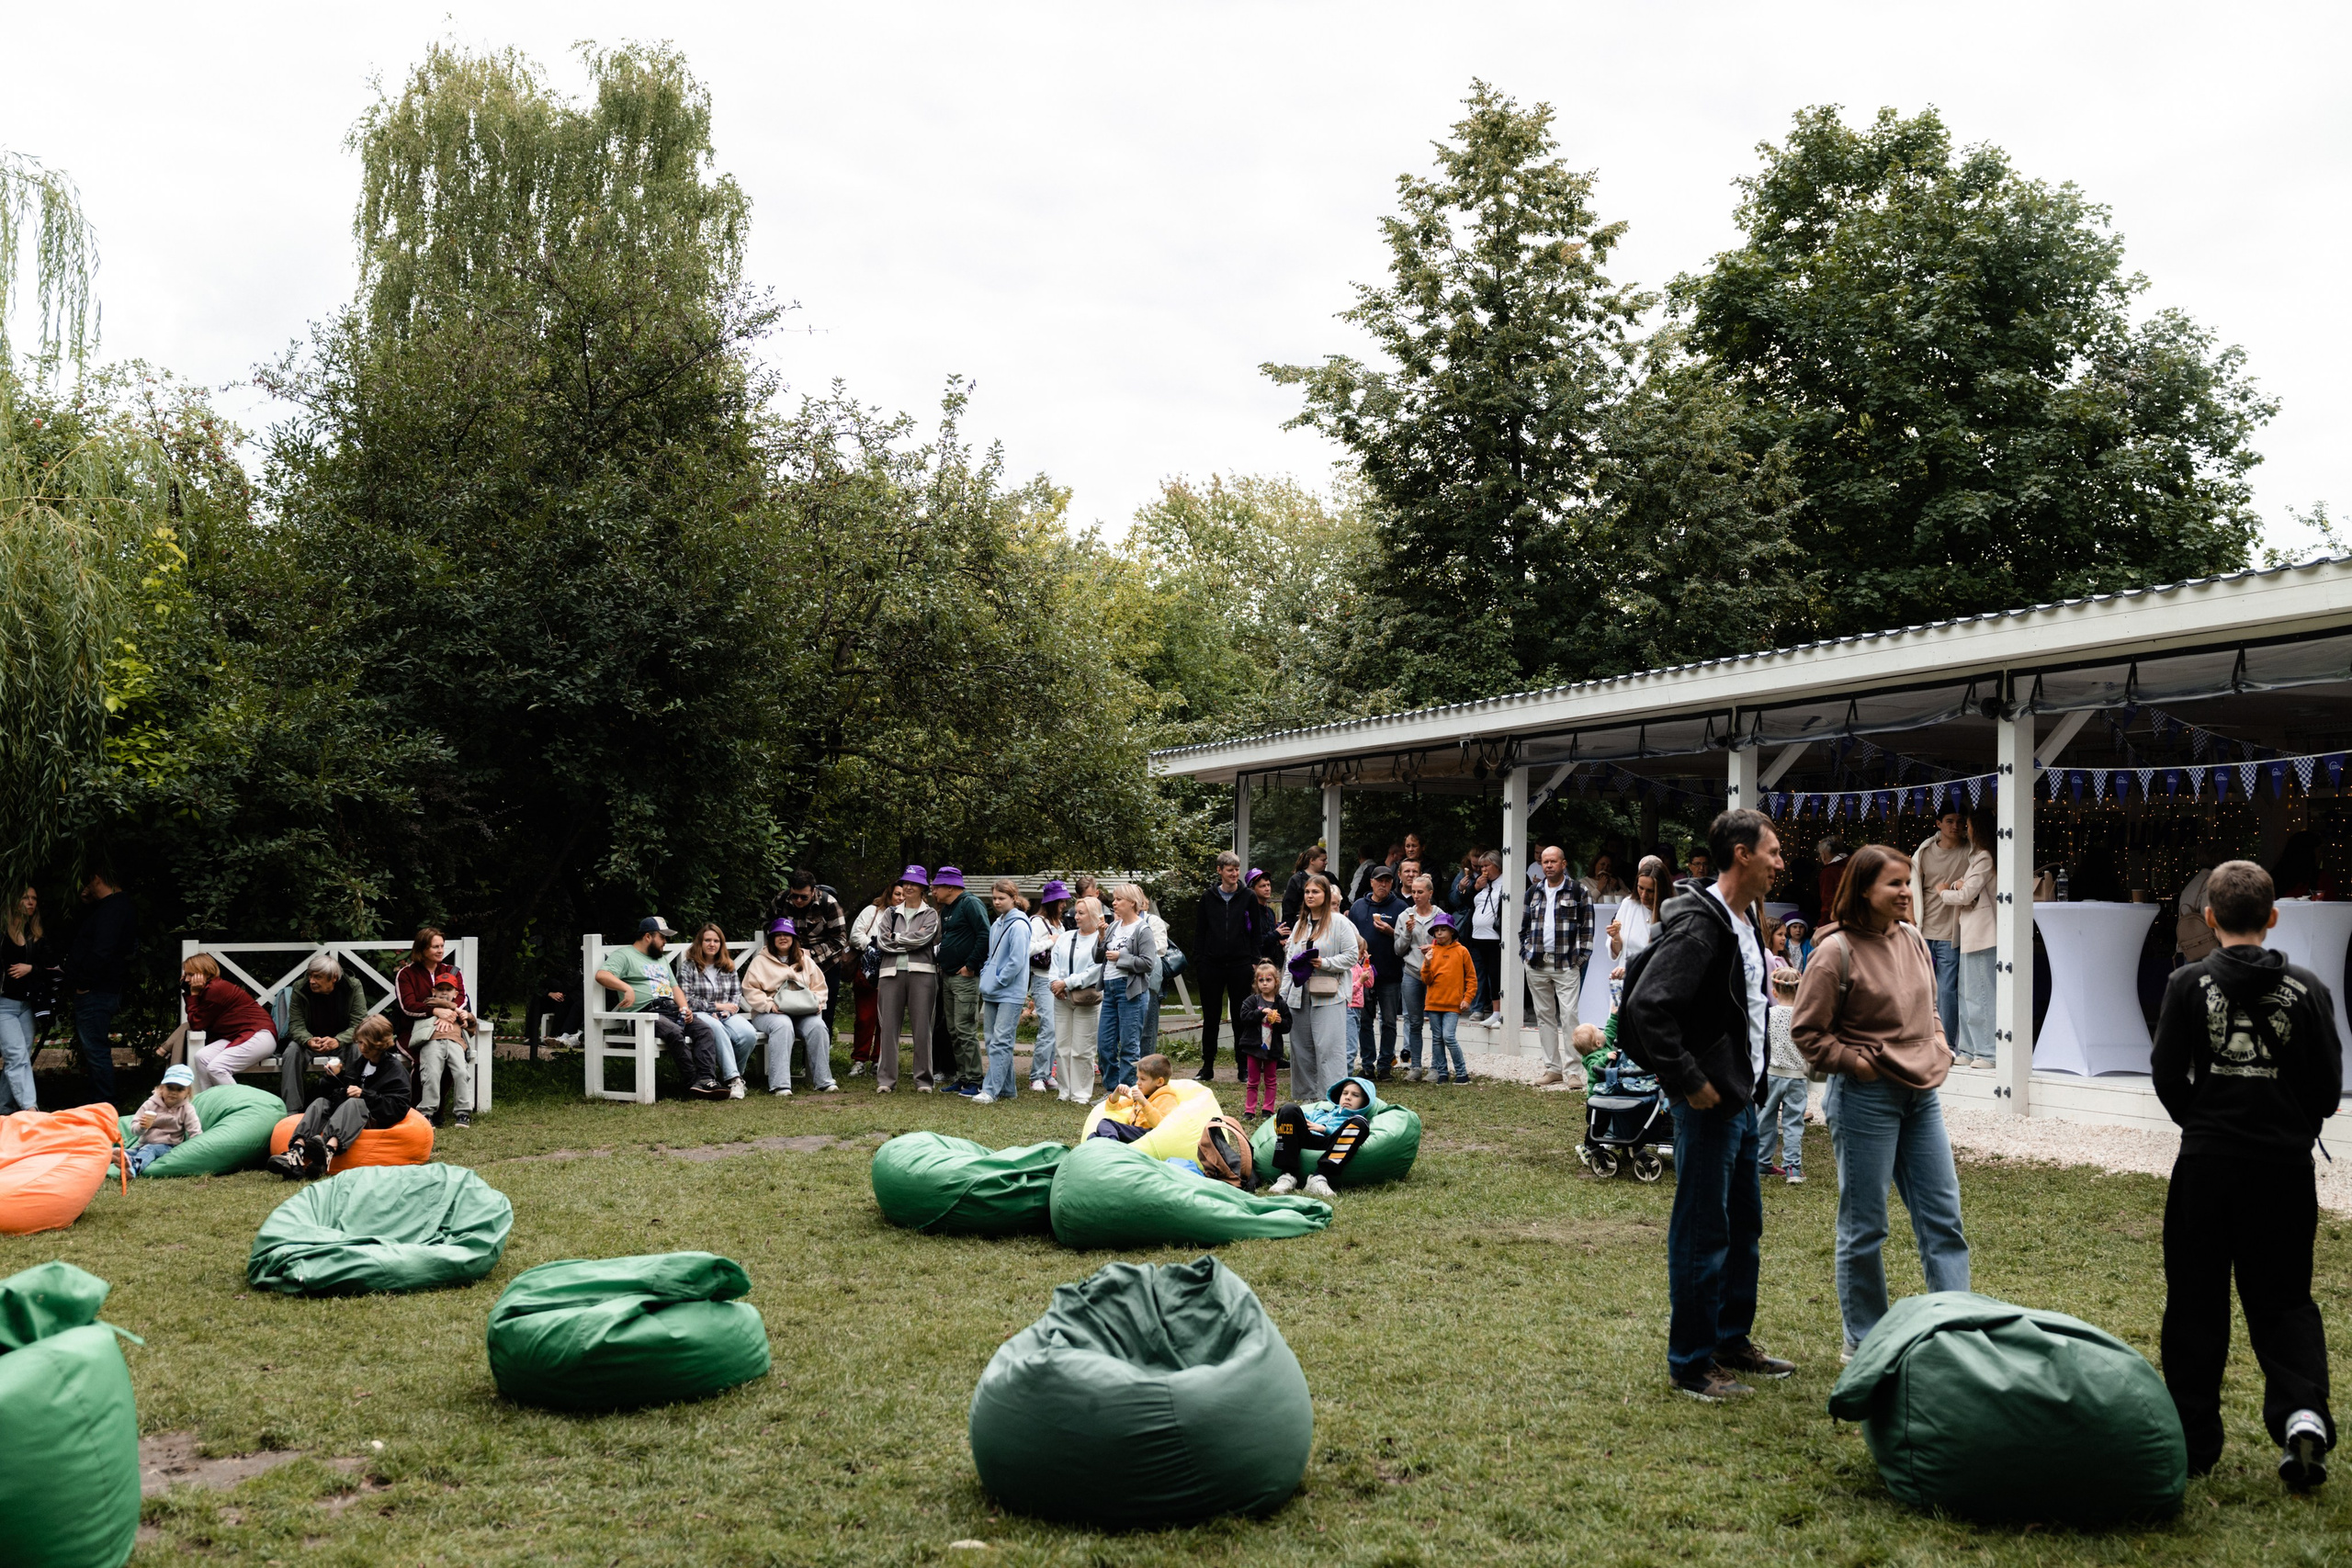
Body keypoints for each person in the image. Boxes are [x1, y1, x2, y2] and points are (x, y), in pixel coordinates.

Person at [2152, 859, 2341, 1491]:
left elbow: (2164, 1073)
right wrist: (2289, 1123)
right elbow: (2327, 1090)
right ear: (2274, 917)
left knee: (2195, 1300)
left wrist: (2200, 1119)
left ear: (2208, 917)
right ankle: (2303, 1415)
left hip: (2206, 1165)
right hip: (2284, 1170)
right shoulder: (2311, 988)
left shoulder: (2185, 983)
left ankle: (2193, 1437)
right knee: (2285, 1299)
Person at [1618, 807, 1798, 1403]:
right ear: (1742, 854)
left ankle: (1729, 1339)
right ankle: (1691, 1361)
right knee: (1703, 1229)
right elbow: (1648, 1006)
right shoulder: (1702, 924)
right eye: (1772, 850)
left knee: (1743, 1225)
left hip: (1741, 1099)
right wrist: (1689, 1079)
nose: (1779, 861)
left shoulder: (1744, 921)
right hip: (1709, 1103)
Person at [1793, 842, 1970, 1359]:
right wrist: (1858, 1063)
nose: (1904, 891)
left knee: (1943, 1217)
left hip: (1922, 1097)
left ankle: (1953, 1330)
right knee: (1866, 1225)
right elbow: (1807, 1033)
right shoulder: (1834, 951)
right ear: (1863, 889)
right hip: (1864, 1100)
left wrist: (1938, 1043)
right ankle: (1863, 1342)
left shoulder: (1913, 938)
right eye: (1894, 883)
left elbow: (1930, 1004)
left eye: (1906, 882)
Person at [593, 916, 724, 1099]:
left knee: (704, 1030)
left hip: (668, 1011)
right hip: (642, 1015)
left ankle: (706, 1080)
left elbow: (674, 987)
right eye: (662, 937)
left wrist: (685, 1009)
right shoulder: (625, 955)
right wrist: (626, 987)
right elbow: (601, 975)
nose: (665, 942)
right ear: (648, 937)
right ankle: (692, 1082)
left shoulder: (660, 959)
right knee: (674, 1031)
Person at [270, 1015, 411, 1179]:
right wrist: (333, 1078)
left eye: (364, 1043)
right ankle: (296, 1151)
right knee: (320, 1103)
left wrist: (364, 1095)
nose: (360, 1047)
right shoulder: (361, 1063)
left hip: (373, 1117)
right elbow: (339, 1095)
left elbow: (399, 1107)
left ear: (377, 1043)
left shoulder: (394, 1069)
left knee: (355, 1103)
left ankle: (328, 1151)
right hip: (347, 1115)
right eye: (359, 1042)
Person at [1522, 845, 1596, 1088]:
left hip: (1566, 964)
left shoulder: (1578, 891)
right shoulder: (1533, 891)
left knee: (1569, 1016)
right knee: (1543, 1017)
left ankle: (1573, 1072)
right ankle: (1552, 1069)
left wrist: (1580, 960)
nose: (1549, 866)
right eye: (1545, 862)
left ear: (1564, 864)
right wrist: (1525, 953)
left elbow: (1588, 929)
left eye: (1553, 861)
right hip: (1536, 964)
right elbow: (1524, 926)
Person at [1281, 872, 1359, 1100]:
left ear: (1325, 895)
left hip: (1328, 994)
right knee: (1301, 1050)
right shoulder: (1299, 926)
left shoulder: (1339, 923)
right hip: (1299, 994)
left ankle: (1332, 1098)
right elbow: (1289, 964)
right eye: (1307, 891)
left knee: (1329, 1049)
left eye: (1315, 891)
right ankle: (1307, 1098)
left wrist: (1325, 963)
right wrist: (1282, 996)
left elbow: (1352, 956)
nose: (1310, 895)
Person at [64, 868, 137, 1104]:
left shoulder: (114, 908)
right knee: (95, 1047)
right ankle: (102, 1100)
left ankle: (104, 1102)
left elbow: (101, 950)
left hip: (96, 990)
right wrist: (87, 904)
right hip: (101, 988)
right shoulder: (111, 907)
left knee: (95, 1048)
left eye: (89, 881)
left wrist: (84, 984)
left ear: (97, 878)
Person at [742, 918, 836, 1096]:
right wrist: (769, 1005)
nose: (783, 938)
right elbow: (750, 989)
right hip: (769, 1013)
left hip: (802, 1011)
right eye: (778, 935)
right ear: (772, 938)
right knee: (783, 1025)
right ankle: (781, 1084)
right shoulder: (760, 962)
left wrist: (818, 1003)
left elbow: (820, 986)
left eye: (787, 934)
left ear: (794, 938)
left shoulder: (805, 960)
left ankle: (823, 1081)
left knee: (818, 1027)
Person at [1193, 852, 1264, 1084]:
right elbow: (1200, 932)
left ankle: (1243, 1066)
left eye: (1237, 869)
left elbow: (1256, 932)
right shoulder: (1208, 897)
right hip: (1211, 964)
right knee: (1211, 1016)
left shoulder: (1248, 897)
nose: (1234, 874)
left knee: (1241, 1017)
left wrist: (1254, 959)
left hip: (1240, 963)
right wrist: (1200, 961)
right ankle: (1207, 1066)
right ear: (1219, 871)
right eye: (1229, 870)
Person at [1937, 809, 1998, 1069]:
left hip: (1983, 934)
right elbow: (1962, 886)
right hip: (1972, 932)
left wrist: (1943, 892)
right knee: (1966, 993)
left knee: (1981, 993)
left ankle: (1988, 1052)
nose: (1965, 829)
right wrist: (1957, 887)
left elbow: (1966, 893)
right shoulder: (1978, 857)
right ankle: (1969, 1049)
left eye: (1968, 825)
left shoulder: (1984, 857)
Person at [874, 869, 943, 1092]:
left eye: (914, 883)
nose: (909, 887)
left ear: (923, 888)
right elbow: (882, 942)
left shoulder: (931, 913)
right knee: (888, 1028)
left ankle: (923, 1081)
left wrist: (896, 937)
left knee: (923, 1029)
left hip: (923, 975)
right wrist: (907, 939)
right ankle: (886, 1081)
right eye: (906, 883)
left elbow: (925, 939)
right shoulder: (890, 913)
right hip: (890, 974)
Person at [1911, 806, 1970, 1052]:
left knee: (1946, 989)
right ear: (1938, 823)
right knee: (1918, 986)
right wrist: (1911, 922)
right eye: (1949, 821)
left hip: (1951, 931)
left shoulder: (1971, 851)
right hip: (1924, 928)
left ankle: (1945, 1043)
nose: (1955, 826)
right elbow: (1912, 887)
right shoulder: (1924, 853)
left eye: (1959, 821)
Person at [279, 954, 368, 1115]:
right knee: (291, 1051)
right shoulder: (300, 988)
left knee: (358, 1048)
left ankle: (356, 1104)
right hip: (311, 1043)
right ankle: (291, 1111)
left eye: (318, 977)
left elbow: (359, 1024)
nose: (312, 980)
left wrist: (338, 1040)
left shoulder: (352, 987)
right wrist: (307, 1040)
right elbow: (296, 1024)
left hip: (343, 1042)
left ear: (333, 978)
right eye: (310, 975)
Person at [677, 923, 757, 1100]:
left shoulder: (727, 965)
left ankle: (732, 1073)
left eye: (716, 941)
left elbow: (736, 995)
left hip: (726, 1014)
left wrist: (724, 1013)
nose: (712, 944)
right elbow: (687, 999)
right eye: (707, 940)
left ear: (721, 944)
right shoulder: (689, 967)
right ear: (700, 943)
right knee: (717, 1029)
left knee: (749, 1033)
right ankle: (734, 1079)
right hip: (698, 1014)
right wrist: (717, 1007)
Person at [1267, 1075, 1379, 1200]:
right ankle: (1287, 1176)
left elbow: (1351, 1133)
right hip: (1307, 1139)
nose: (1348, 1097)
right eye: (1345, 1093)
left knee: (1360, 1123)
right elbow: (1295, 1119)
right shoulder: (1321, 1112)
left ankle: (1319, 1177)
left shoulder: (1353, 1120)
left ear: (1365, 1102)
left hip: (1330, 1143)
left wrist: (1325, 1129)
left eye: (1355, 1095)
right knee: (1288, 1109)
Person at [1093, 883, 1160, 1091]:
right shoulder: (1113, 926)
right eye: (1114, 899)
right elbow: (1098, 958)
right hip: (1110, 990)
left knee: (1130, 1047)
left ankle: (1128, 1092)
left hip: (1131, 992)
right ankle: (1113, 1090)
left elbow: (1149, 963)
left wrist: (1122, 958)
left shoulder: (1143, 929)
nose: (1113, 903)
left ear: (1132, 903)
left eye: (1118, 899)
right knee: (1104, 1046)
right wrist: (1101, 938)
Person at [932, 867, 990, 1097]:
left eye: (937, 886)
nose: (933, 890)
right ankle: (962, 1076)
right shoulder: (947, 909)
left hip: (964, 977)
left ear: (950, 886)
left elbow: (984, 934)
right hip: (947, 976)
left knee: (965, 1029)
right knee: (953, 1029)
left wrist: (971, 965)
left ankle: (975, 1080)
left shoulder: (970, 903)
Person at [181, 954, 278, 1088]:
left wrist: (193, 995)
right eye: (185, 974)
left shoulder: (215, 989)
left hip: (260, 1036)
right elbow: (198, 1019)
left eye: (190, 975)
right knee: (201, 1057)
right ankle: (211, 1105)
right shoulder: (208, 989)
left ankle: (241, 1106)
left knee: (217, 1068)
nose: (186, 979)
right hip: (239, 1036)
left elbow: (197, 1023)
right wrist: (189, 991)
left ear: (203, 973)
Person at [977, 878, 1033, 1104]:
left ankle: (990, 1090)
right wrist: (987, 975)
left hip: (1010, 992)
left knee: (1001, 1040)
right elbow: (993, 955)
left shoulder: (1019, 924)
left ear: (1013, 899)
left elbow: (1017, 961)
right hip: (992, 989)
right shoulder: (996, 923)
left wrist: (999, 980)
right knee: (992, 1040)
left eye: (1002, 898)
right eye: (995, 898)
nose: (997, 902)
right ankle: (1008, 1088)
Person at [0, 884, 55, 1113]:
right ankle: (31, 1111)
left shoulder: (37, 934)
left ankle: (3, 1109)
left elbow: (52, 969)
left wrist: (30, 968)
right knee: (17, 1056)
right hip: (4, 1006)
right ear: (14, 902)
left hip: (27, 1006)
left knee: (18, 1057)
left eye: (34, 898)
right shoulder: (3, 933)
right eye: (25, 898)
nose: (31, 902)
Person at [1349, 865, 1408, 1078]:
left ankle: (1384, 1065)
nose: (1383, 884)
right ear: (1372, 882)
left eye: (1387, 881)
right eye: (1379, 880)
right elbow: (1350, 941)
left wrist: (1392, 932)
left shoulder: (1401, 907)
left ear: (1392, 883)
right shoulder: (1358, 907)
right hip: (1363, 976)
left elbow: (1407, 941)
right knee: (1364, 1020)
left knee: (1389, 1021)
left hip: (1390, 974)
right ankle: (1367, 1064)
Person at [1048, 895, 1107, 1104]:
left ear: (1093, 915)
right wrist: (1055, 984)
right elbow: (1054, 962)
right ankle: (1065, 1091)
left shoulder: (1100, 940)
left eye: (1082, 913)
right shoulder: (1066, 937)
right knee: (1062, 1046)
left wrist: (1068, 983)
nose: (1076, 916)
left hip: (1086, 998)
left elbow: (1097, 969)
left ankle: (1081, 1094)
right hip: (1061, 997)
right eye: (1076, 912)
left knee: (1083, 1048)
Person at [781, 871, 851, 1041]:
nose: (798, 901)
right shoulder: (782, 900)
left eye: (803, 897)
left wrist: (810, 954)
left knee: (823, 1012)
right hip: (790, 964)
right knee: (789, 1007)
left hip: (825, 965)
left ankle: (815, 1062)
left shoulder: (829, 903)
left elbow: (840, 940)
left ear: (813, 891)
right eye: (795, 896)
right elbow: (768, 923)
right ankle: (793, 1053)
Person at [1758, 966, 1806, 1183]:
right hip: (1796, 1077)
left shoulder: (1768, 1014)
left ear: (1774, 991)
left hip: (1770, 1075)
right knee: (1793, 1123)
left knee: (1765, 1119)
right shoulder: (1804, 1017)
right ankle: (1793, 1169)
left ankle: (1762, 1161)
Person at [1393, 874, 1442, 1077]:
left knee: (1437, 1023)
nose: (1416, 895)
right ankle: (1415, 1067)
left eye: (1420, 892)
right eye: (1413, 891)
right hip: (1412, 973)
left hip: (1435, 975)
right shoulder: (1405, 916)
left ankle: (1437, 1067)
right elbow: (1398, 950)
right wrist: (1406, 933)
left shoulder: (1440, 915)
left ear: (1430, 893)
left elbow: (1449, 944)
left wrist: (1433, 948)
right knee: (1414, 1022)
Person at [410, 978, 478, 1128]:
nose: (444, 993)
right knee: (431, 1074)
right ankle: (427, 1112)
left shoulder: (461, 1013)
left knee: (461, 1073)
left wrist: (468, 1016)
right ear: (434, 992)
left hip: (456, 1043)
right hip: (432, 1041)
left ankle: (463, 1113)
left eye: (448, 990)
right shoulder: (430, 1003)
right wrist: (456, 1009)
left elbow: (472, 1029)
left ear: (456, 993)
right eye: (440, 989)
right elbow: (432, 1002)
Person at [1024, 881, 1071, 1094]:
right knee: (1048, 1028)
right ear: (1051, 901)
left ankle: (1047, 1074)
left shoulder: (1059, 924)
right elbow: (1027, 950)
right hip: (1042, 980)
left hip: (1057, 981)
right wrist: (1050, 941)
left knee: (1057, 1029)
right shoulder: (1035, 922)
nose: (1064, 904)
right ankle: (1037, 1076)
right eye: (1060, 900)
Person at [1419, 912, 1476, 1084]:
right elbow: (1426, 980)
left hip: (1453, 1004)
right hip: (1434, 1003)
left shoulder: (1462, 951)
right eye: (1437, 930)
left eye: (1444, 929)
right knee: (1437, 1038)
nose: (1440, 933)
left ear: (1452, 931)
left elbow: (1472, 977)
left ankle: (1462, 1073)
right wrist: (1427, 964)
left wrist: (1467, 998)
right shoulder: (1431, 952)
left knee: (1448, 1037)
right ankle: (1442, 1073)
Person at [1607, 856, 1667, 998]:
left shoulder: (1670, 910)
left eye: (1650, 891)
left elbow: (1665, 957)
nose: (1644, 895)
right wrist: (1615, 938)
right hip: (1624, 985)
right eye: (1641, 888)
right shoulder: (1628, 904)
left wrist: (1632, 970)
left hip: (1655, 987)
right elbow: (1616, 951)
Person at [126, 1063, 201, 1176]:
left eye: (180, 1089)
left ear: (188, 1093)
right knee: (128, 1152)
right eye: (169, 1087)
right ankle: (104, 1157)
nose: (173, 1092)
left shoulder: (187, 1109)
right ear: (162, 1088)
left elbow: (195, 1133)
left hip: (168, 1146)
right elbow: (134, 1129)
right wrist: (142, 1127)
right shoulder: (150, 1104)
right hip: (143, 1145)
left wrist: (193, 1153)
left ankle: (135, 1167)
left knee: (150, 1150)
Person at [1235, 960, 1289, 1117]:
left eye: (1268, 980)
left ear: (1276, 982)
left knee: (1271, 1080)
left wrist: (1280, 1021)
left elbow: (1288, 1025)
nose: (1265, 983)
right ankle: (1249, 1110)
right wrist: (1260, 1013)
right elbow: (1244, 1017)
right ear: (1256, 983)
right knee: (1253, 1081)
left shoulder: (1281, 1003)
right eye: (1261, 980)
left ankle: (1268, 1109)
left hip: (1272, 1050)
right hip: (1254, 1047)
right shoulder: (1252, 1001)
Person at [847, 892, 888, 1076]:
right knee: (864, 1018)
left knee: (886, 1019)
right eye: (897, 893)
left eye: (903, 895)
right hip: (867, 970)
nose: (900, 897)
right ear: (889, 894)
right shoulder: (872, 911)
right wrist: (875, 948)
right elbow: (855, 935)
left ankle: (879, 1060)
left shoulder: (909, 915)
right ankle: (859, 1060)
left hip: (893, 971)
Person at [1467, 852, 1504, 1024]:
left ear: (1497, 866)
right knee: (1479, 974)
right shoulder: (1481, 884)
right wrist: (1474, 888)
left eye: (1486, 866)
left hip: (1495, 937)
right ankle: (1480, 1009)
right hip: (1477, 936)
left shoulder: (1505, 881)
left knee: (1495, 975)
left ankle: (1498, 1012)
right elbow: (1464, 903)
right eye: (1481, 866)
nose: (1483, 870)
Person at [1282, 847, 1328, 928]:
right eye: (1323, 860)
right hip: (1303, 925)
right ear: (1312, 861)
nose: (1326, 862)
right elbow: (1288, 908)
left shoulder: (1330, 877)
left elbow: (1343, 900)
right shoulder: (1296, 880)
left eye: (1315, 891)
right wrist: (1287, 931)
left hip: (1326, 922)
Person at [1815, 839, 1849, 923]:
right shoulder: (1856, 864)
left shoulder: (1829, 871)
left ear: (1824, 855)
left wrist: (1822, 925)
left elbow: (1828, 902)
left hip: (1837, 921)